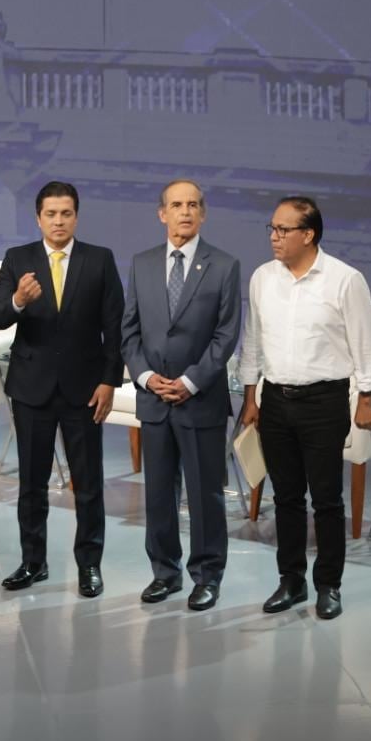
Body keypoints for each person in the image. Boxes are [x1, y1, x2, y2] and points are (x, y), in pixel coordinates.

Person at [238, 196, 371, 620]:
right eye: (272, 228)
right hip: (276, 401)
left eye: (283, 230)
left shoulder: (344, 280)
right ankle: (291, 580)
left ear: (308, 234)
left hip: (324, 402)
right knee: (286, 498)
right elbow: (253, 340)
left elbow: (364, 342)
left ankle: (329, 585)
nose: (274, 237)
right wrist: (250, 397)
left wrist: (367, 397)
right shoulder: (263, 278)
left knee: (327, 500)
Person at [0, 181, 124, 598]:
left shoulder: (99, 260)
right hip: (32, 389)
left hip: (85, 390)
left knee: (88, 483)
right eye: (51, 214)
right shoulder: (19, 259)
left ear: (76, 216)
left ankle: (89, 566)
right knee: (31, 483)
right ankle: (33, 562)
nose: (59, 221)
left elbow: (114, 328)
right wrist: (17, 300)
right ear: (38, 218)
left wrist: (109, 381)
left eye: (66, 213)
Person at [120, 180, 240, 611]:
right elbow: (129, 330)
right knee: (157, 493)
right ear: (161, 214)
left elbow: (226, 335)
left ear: (203, 214)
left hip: (199, 400)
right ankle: (164, 573)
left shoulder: (224, 266)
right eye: (176, 205)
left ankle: (208, 576)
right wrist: (147, 377)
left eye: (193, 205)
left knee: (205, 494)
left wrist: (190, 381)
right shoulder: (143, 263)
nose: (185, 212)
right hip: (154, 399)